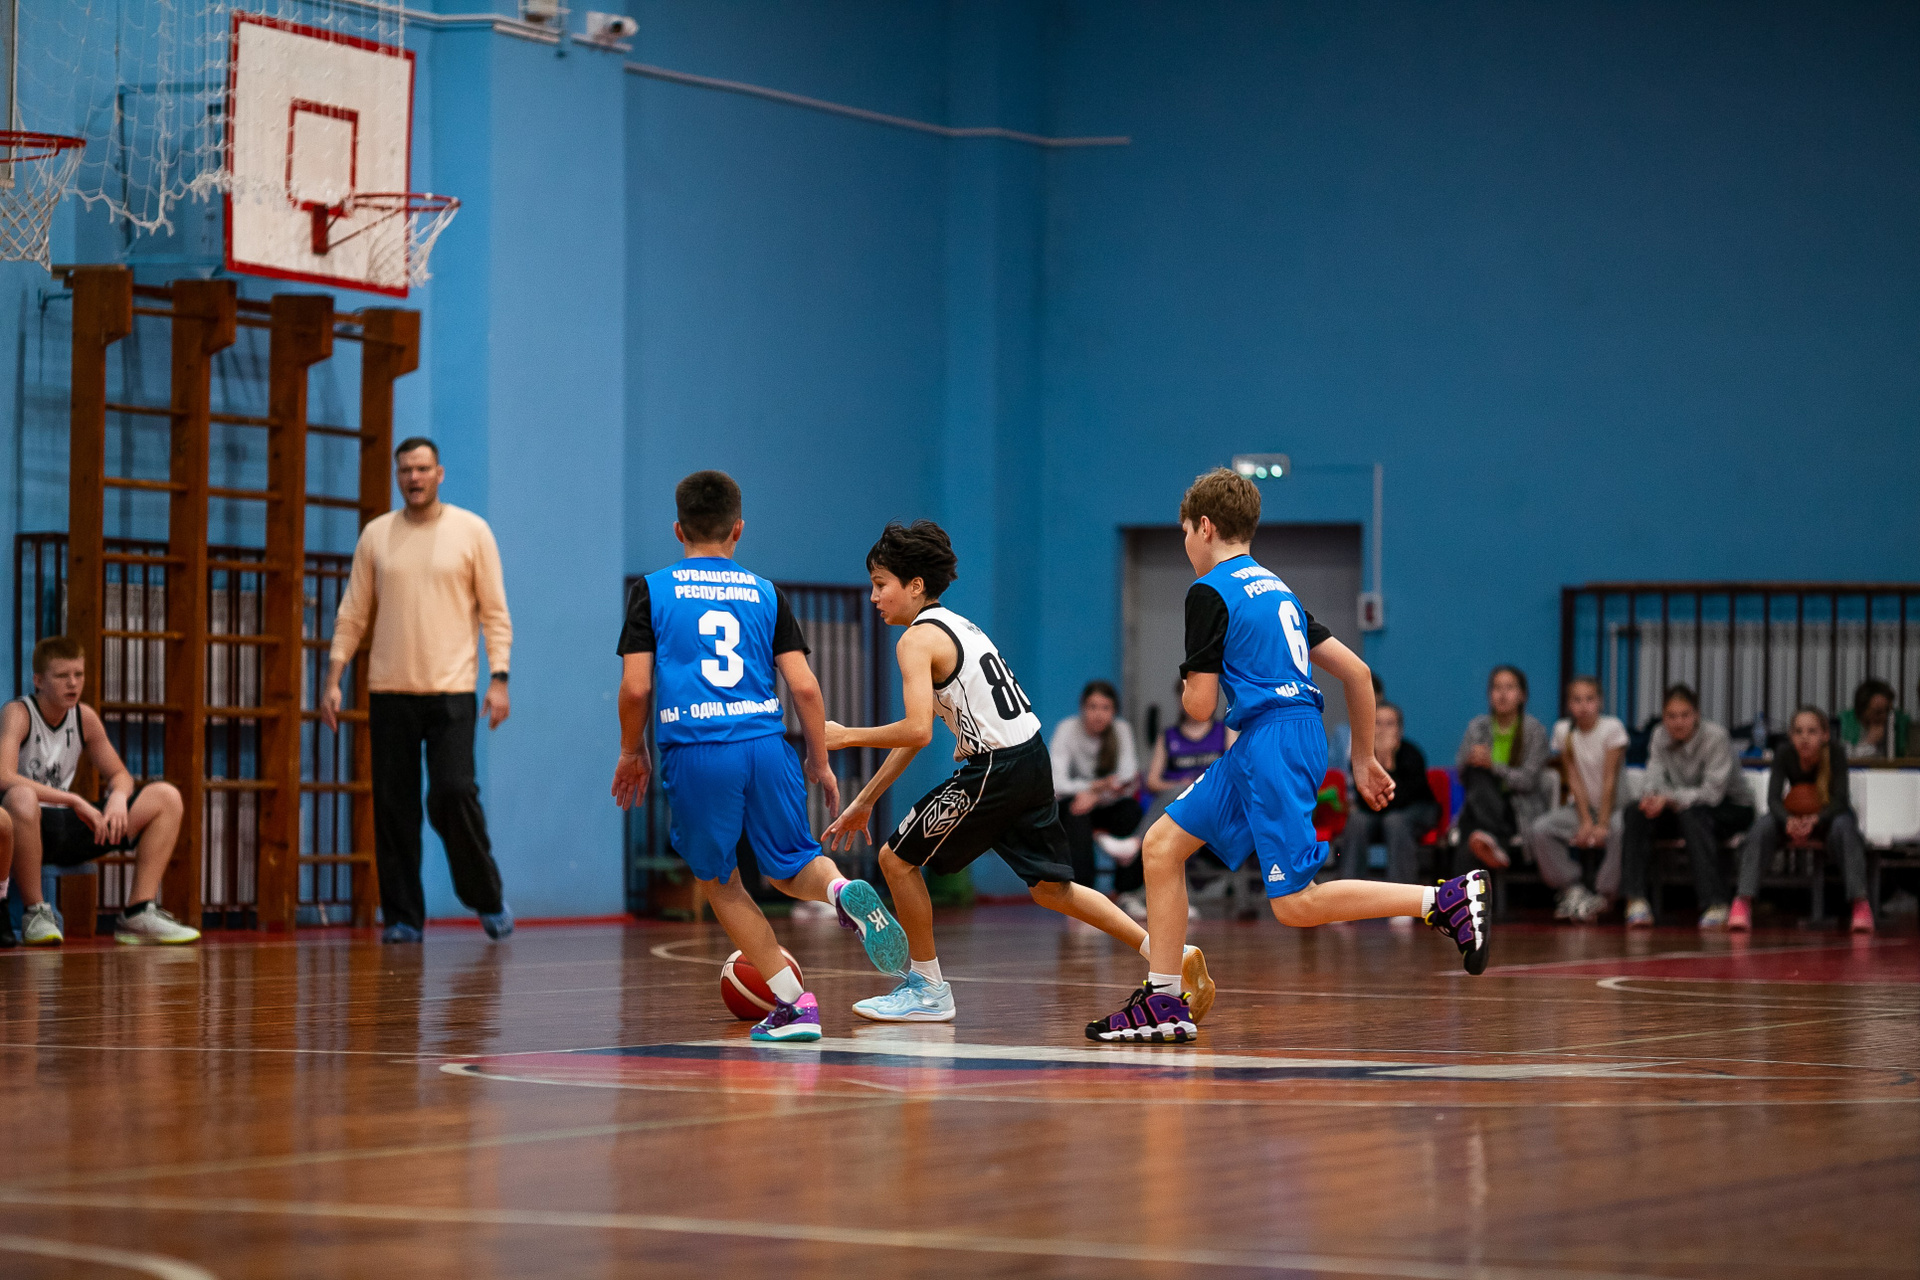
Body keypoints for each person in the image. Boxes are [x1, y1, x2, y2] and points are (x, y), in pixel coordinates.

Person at [1086, 469, 1490, 1045]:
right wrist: (1363, 758)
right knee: (1162, 845)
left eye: (1185, 533)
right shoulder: (1279, 589)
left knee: (1296, 904)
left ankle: (1443, 900)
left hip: (1271, 742)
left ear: (1204, 527)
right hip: (1277, 737)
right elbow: (1358, 673)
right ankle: (1164, 1000)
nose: (1185, 546)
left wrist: (1191, 675)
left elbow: (1199, 708)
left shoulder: (1209, 591)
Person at [821, 520, 1214, 1025]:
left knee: (895, 861)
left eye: (881, 584)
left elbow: (916, 731)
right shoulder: (961, 627)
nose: (874, 596)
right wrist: (865, 800)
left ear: (915, 585)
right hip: (1030, 759)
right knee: (1051, 889)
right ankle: (1164, 951)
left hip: (995, 770)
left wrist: (846, 735)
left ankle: (928, 989)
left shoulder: (916, 640)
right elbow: (923, 731)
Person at [611, 471, 906, 1042]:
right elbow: (806, 688)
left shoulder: (652, 590)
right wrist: (818, 761)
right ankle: (840, 891)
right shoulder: (767, 593)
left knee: (721, 881)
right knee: (791, 865)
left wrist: (631, 750)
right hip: (767, 745)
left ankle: (795, 1006)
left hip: (699, 749)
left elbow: (636, 688)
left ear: (678, 529)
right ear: (738, 529)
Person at [323, 438, 516, 944]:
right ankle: (403, 918)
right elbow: (352, 612)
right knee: (394, 807)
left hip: (452, 691)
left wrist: (499, 678)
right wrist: (334, 677)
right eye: (406, 470)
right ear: (397, 475)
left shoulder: (472, 531)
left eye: (423, 468)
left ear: (439, 473)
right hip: (389, 691)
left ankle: (487, 897)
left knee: (453, 793)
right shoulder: (376, 535)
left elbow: (495, 614)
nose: (414, 477)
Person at [0, 636, 198, 945]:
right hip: (27, 828)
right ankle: (35, 912)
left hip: (73, 825)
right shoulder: (18, 713)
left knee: (166, 796)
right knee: (21, 797)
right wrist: (74, 799)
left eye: (78, 674)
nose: (73, 683)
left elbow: (120, 774)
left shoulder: (84, 717)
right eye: (62, 676)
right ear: (38, 680)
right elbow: (4, 776)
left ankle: (138, 911)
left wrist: (118, 797)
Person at [1619, 684, 1753, 929]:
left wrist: (1668, 799)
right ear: (1663, 717)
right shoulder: (1659, 735)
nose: (1678, 722)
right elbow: (1653, 775)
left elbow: (1712, 794)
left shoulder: (1716, 737)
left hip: (1731, 808)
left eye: (1684, 715)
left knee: (1693, 815)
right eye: (1671, 716)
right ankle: (1636, 900)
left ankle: (1715, 902)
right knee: (1635, 811)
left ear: (1696, 715)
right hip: (1682, 808)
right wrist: (1651, 797)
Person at [1732, 707, 1873, 934]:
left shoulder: (1835, 752)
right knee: (1761, 827)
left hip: (1830, 815)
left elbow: (1840, 800)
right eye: (1798, 731)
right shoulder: (1784, 753)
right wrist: (1788, 820)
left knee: (1846, 828)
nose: (1804, 737)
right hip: (1794, 815)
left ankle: (1860, 903)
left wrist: (1815, 819)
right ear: (1791, 736)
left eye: (1811, 731)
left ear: (1825, 735)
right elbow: (1773, 799)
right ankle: (1743, 900)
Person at [1524, 676, 1627, 922]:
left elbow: (1609, 779)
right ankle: (1571, 889)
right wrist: (1586, 821)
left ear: (1600, 702)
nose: (1583, 706)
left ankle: (1605, 895)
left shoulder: (1612, 728)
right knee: (1541, 829)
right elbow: (1573, 778)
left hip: (1615, 807)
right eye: (1577, 700)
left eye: (1590, 699)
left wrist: (1601, 823)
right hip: (1581, 809)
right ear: (1569, 705)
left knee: (1620, 829)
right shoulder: (1563, 731)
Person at [1051, 680, 1144, 898]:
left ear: (1114, 711)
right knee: (1076, 813)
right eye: (1092, 707)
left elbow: (1128, 777)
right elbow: (1056, 782)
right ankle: (1083, 896)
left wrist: (1095, 796)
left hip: (1107, 803)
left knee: (1131, 811)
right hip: (1076, 803)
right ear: (1083, 707)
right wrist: (1094, 787)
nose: (1098, 714)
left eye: (1105, 708)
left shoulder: (1121, 730)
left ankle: (1127, 892)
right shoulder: (1067, 729)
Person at [1454, 665, 1550, 872]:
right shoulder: (1477, 727)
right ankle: (1491, 841)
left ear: (1522, 695)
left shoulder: (1534, 731)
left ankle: (1460, 892)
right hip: (1480, 803)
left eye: (1510, 687)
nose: (1502, 694)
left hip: (1517, 808)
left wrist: (1493, 766)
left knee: (1470, 825)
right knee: (1476, 775)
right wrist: (1470, 760)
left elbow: (1528, 781)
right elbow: (1462, 775)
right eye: (1497, 688)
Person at [1333, 702, 1438, 885]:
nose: (1382, 730)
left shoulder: (1412, 754)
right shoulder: (1361, 758)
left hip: (1416, 811)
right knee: (1357, 820)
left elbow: (1404, 799)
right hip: (1376, 812)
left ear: (1399, 730)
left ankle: (1401, 895)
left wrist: (1387, 762)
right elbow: (1364, 800)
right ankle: (1349, 890)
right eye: (1378, 723)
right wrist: (1378, 761)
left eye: (1389, 724)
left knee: (1394, 821)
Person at [1838, 678, 1911, 760]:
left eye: (1888, 711)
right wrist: (1869, 742)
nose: (1885, 716)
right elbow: (1845, 761)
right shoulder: (1843, 725)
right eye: (1878, 712)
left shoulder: (1899, 723)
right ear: (1862, 711)